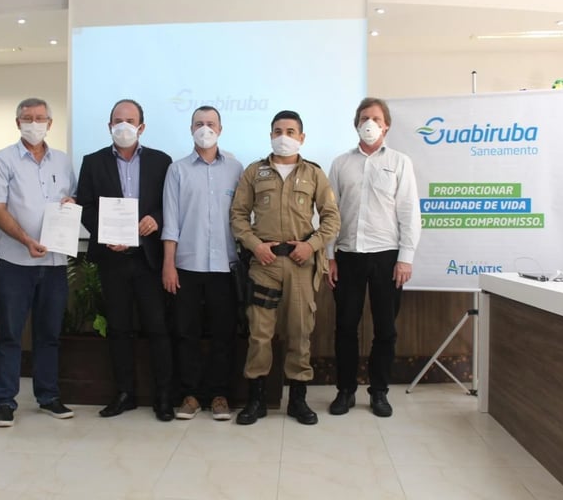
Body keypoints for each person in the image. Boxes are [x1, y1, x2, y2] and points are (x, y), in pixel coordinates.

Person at [230, 110, 340, 426]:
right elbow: (238, 215)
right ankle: (257, 400)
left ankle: (298, 401)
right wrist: (255, 245)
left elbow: (332, 217)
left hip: (301, 264)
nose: (284, 137)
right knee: (259, 334)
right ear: (270, 135)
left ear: (301, 137)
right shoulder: (254, 172)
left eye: (290, 131)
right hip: (263, 264)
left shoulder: (314, 174)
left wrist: (312, 246)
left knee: (300, 332)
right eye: (278, 131)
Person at [76, 99, 175, 422]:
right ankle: (124, 394)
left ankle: (163, 396)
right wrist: (105, 233)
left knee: (157, 328)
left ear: (141, 127)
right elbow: (86, 206)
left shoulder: (161, 161)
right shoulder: (93, 162)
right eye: (117, 120)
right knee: (118, 329)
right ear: (109, 126)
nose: (123, 126)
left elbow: (170, 203)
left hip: (148, 258)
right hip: (112, 259)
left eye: (130, 121)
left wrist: (156, 218)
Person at [0, 98, 77, 427]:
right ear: (18, 123)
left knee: (49, 334)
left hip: (54, 262)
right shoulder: (1, 160)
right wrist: (26, 240)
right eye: (27, 118)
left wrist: (71, 202)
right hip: (14, 263)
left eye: (40, 118)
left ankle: (48, 396)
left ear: (50, 123)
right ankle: (5, 402)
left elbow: (71, 198)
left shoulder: (62, 161)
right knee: (10, 335)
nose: (34, 124)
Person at [326, 97, 421, 418]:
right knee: (345, 327)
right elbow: (330, 213)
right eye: (364, 118)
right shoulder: (340, 163)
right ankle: (345, 391)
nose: (369, 123)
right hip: (348, 256)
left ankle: (379, 392)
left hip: (387, 257)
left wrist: (405, 258)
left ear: (386, 126)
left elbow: (409, 211)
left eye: (376, 119)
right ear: (356, 124)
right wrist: (329, 255)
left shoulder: (400, 162)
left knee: (386, 329)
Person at [161, 105, 244, 421]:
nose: (204, 128)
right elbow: (171, 221)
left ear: (220, 129)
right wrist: (168, 264)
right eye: (199, 123)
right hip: (186, 265)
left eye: (210, 123)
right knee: (186, 334)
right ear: (190, 129)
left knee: (224, 333)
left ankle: (220, 395)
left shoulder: (236, 169)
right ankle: (191, 395)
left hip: (225, 266)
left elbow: (243, 216)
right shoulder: (177, 170)